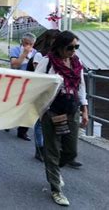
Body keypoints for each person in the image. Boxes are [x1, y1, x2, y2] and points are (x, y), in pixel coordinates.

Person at [35, 31, 88, 207]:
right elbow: (36, 84)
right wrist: (41, 109)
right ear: (60, 46)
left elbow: (81, 87)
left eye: (76, 47)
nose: (73, 50)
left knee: (71, 151)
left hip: (71, 110)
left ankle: (55, 171)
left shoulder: (76, 62)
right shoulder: (48, 62)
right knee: (52, 151)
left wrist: (84, 109)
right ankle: (56, 189)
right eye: (70, 47)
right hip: (52, 111)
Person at [29, 29, 60, 162]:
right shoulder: (40, 55)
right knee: (40, 122)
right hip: (43, 92)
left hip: (57, 94)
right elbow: (38, 75)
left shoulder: (61, 56)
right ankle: (40, 148)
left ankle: (57, 149)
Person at [9, 32, 37, 141]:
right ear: (22, 42)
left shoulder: (36, 54)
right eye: (26, 43)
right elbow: (15, 65)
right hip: (16, 82)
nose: (28, 46)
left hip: (30, 83)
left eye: (30, 44)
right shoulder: (16, 50)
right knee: (14, 104)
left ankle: (22, 131)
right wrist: (24, 54)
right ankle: (9, 121)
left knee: (28, 107)